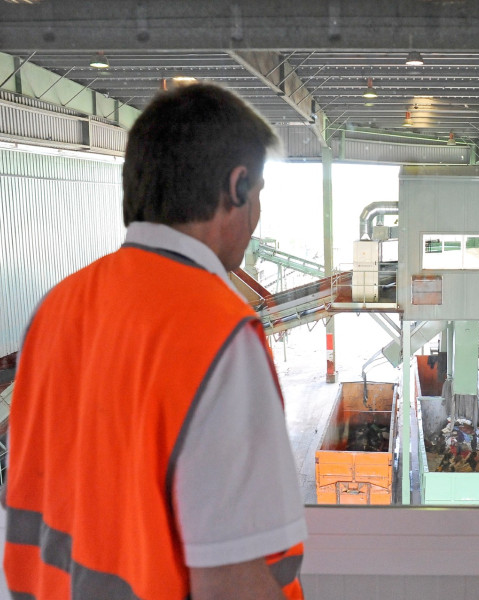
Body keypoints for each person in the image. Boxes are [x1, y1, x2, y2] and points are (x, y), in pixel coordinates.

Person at [4, 84, 307, 600]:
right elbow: (232, 581)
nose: (257, 217)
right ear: (236, 186)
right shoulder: (218, 333)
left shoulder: (55, 310)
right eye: (257, 193)